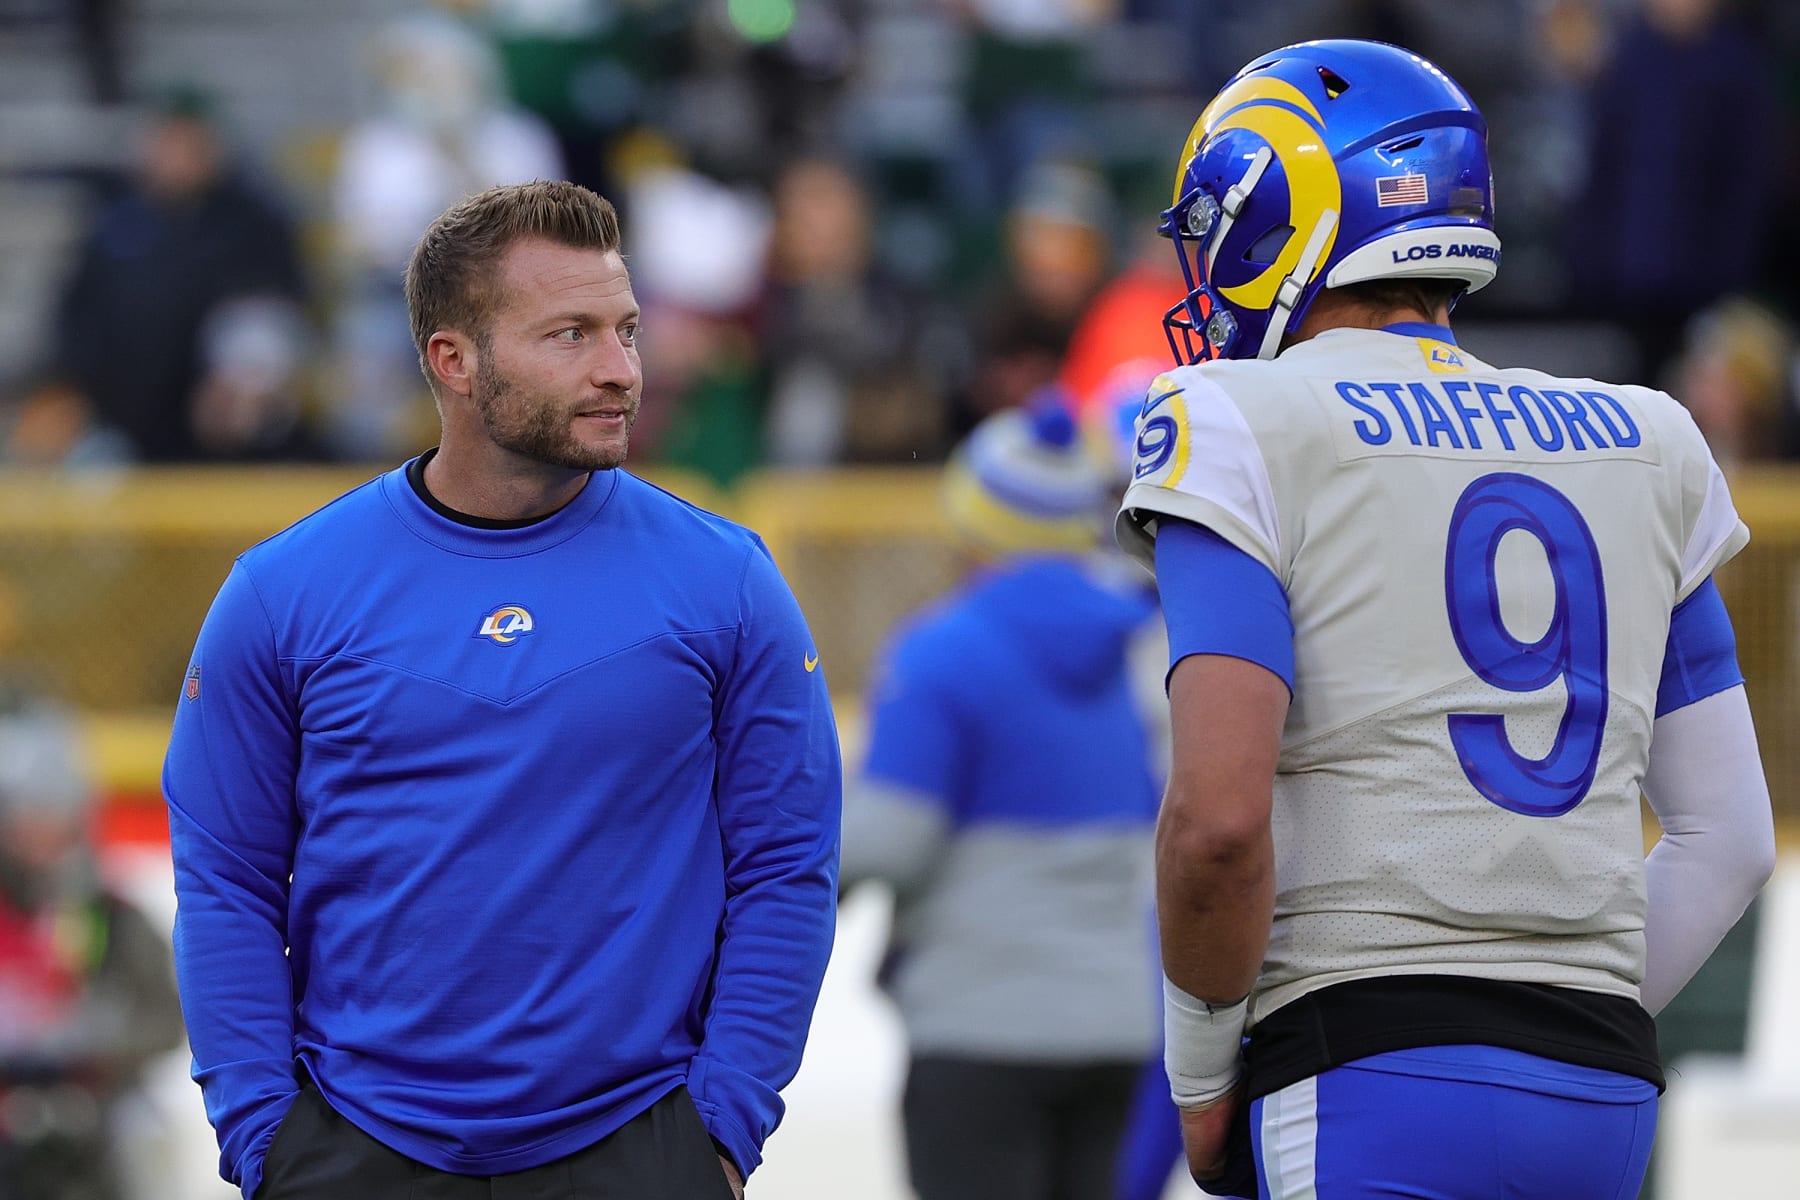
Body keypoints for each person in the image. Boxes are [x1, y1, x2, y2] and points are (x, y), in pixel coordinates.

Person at [1113, 39, 1778, 1199]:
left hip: (1362, 1069)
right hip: (1601, 1096)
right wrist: (1559, 1017)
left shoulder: (1238, 419)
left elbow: (1217, 824)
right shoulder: (1648, 435)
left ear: (1287, 210)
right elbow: (1731, 839)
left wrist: (1204, 1078)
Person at [162, 179, 842, 1200]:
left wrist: (720, 1131)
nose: (620, 371)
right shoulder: (284, 592)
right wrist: (265, 1140)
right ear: (453, 360)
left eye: (626, 330)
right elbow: (225, 884)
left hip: (639, 1146)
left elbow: (788, 867)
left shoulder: (725, 582)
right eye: (570, 335)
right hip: (348, 1151)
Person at [840, 401, 1163, 1200]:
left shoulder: (943, 650)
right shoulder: (1144, 640)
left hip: (978, 1023)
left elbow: (889, 843)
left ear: (975, 524)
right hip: (1123, 1024)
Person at [0, 682, 184, 1200]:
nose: (42, 843)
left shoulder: (111, 918)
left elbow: (165, 1021)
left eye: (55, 822)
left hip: (97, 1121)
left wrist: (89, 1040)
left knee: (148, 1134)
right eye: (27, 823)